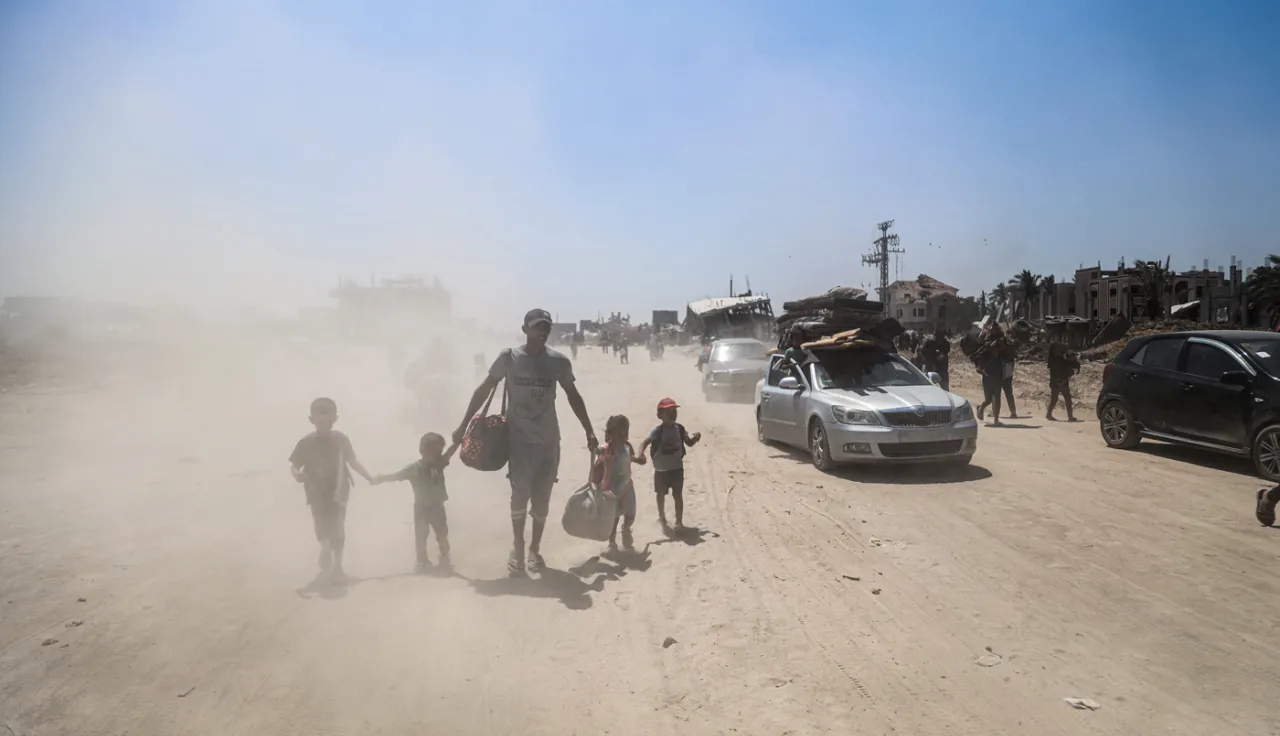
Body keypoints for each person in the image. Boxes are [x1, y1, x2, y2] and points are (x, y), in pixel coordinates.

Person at [453, 309, 598, 575]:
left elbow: (573, 396)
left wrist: (589, 430)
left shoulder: (559, 362)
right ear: (525, 329)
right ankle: (518, 546)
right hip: (518, 443)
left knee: (541, 500)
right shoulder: (509, 358)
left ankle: (534, 548)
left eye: (546, 327)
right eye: (536, 327)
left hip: (549, 442)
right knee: (520, 495)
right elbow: (484, 389)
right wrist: (463, 424)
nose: (542, 331)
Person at [289, 397, 374, 581]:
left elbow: (352, 462)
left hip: (339, 490)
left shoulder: (341, 440)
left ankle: (337, 565)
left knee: (337, 524)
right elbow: (294, 465)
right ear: (311, 420)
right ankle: (326, 548)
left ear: (335, 419)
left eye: (328, 419)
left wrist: (369, 477)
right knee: (320, 522)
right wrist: (297, 474)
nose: (324, 423)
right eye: (319, 420)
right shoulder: (305, 442)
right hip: (315, 490)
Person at [373, 433, 458, 573]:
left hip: (437, 507)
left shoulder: (439, 464)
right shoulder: (414, 468)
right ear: (423, 450)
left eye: (439, 452)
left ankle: (444, 554)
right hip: (421, 508)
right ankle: (422, 561)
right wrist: (381, 478)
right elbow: (397, 475)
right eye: (433, 451)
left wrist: (458, 442)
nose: (437, 455)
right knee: (421, 535)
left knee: (442, 533)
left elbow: (450, 453)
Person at [637, 398, 701, 531]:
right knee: (660, 494)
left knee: (678, 495)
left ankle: (679, 522)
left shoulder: (680, 429)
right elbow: (645, 442)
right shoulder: (657, 431)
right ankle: (662, 517)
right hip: (661, 470)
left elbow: (688, 443)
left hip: (677, 468)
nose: (673, 414)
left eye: (674, 411)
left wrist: (695, 438)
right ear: (660, 415)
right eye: (669, 411)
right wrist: (641, 453)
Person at [593, 415, 646, 554]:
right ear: (610, 434)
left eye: (625, 432)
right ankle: (612, 542)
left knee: (630, 515)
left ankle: (626, 529)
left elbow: (631, 457)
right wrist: (595, 450)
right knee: (614, 519)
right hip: (611, 491)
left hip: (627, 487)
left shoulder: (628, 446)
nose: (624, 435)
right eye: (620, 433)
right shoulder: (606, 449)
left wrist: (639, 459)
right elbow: (598, 454)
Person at [974, 324, 1008, 427]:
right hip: (988, 377)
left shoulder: (1000, 350)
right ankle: (981, 408)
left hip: (997, 376)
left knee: (997, 398)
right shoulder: (987, 352)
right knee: (988, 400)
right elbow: (978, 368)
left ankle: (996, 420)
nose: (996, 351)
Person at [1045, 342, 1080, 422]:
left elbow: (1070, 363)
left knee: (1065, 399)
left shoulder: (1058, 359)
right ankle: (1069, 417)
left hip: (1060, 381)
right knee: (1058, 399)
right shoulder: (1055, 360)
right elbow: (1067, 365)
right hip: (1058, 382)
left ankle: (1069, 416)